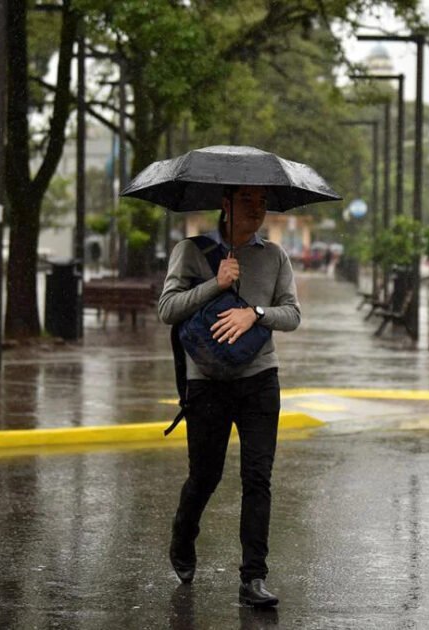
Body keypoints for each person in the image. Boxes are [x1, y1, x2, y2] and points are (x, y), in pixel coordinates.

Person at [158, 185, 300, 607]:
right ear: (226, 205)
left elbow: (292, 313)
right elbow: (167, 309)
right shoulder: (191, 251)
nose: (257, 209)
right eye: (247, 201)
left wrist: (254, 312)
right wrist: (216, 285)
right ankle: (183, 535)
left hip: (260, 379)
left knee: (258, 477)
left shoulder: (274, 256)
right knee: (206, 475)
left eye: (262, 202)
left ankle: (253, 577)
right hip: (207, 381)